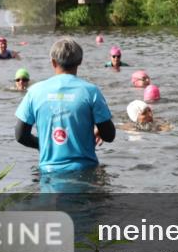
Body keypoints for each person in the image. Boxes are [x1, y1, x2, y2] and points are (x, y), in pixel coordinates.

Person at [14, 38, 115, 174]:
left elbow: (20, 136)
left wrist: (43, 144)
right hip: (85, 171)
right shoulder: (91, 91)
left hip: (48, 172)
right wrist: (99, 131)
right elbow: (109, 135)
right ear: (80, 61)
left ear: (53, 62)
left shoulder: (34, 91)